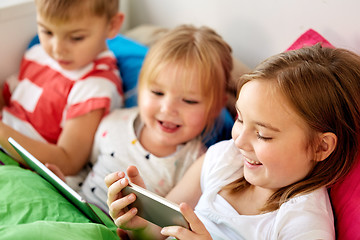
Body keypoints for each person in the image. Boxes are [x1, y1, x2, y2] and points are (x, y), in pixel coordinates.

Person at [105, 44, 360, 239]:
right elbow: (163, 231)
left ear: (321, 146)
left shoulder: (302, 222)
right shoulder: (223, 159)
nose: (239, 140)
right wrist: (139, 222)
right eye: (239, 119)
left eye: (263, 134)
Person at [80, 24, 233, 212]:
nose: (168, 109)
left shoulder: (197, 165)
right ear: (141, 88)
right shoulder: (112, 122)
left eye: (189, 100)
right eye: (157, 92)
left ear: (216, 108)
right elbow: (86, 172)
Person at [0, 0, 124, 175]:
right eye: (47, 31)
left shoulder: (96, 86)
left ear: (112, 25)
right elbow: (7, 102)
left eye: (76, 38)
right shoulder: (37, 54)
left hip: (30, 173)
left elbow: (68, 161)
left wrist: (2, 133)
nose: (58, 49)